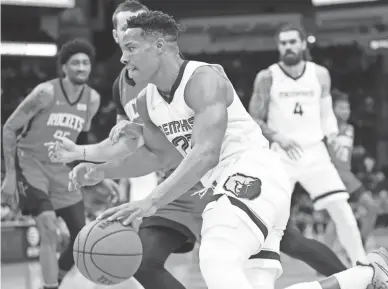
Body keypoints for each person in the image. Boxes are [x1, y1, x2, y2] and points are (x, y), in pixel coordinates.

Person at [66, 11, 387, 289]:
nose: (123, 58)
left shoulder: (203, 79)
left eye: (131, 48)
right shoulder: (146, 102)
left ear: (159, 46)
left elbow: (206, 152)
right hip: (228, 186)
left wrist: (150, 201)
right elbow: (160, 155)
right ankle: (362, 277)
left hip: (252, 172)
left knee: (216, 259)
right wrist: (101, 170)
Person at [46, 2, 210, 289]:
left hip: (204, 173)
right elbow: (127, 142)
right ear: (115, 35)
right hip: (159, 175)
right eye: (125, 26)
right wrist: (87, 157)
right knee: (143, 260)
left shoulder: (174, 70)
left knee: (265, 248)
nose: (131, 31)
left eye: (137, 25)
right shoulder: (121, 85)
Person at [248, 24, 366, 267]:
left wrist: (332, 133)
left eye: (293, 42)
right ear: (278, 47)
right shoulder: (267, 76)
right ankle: (257, 270)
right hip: (281, 154)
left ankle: (363, 267)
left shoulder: (320, 74)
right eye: (283, 43)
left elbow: (326, 113)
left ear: (303, 44)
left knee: (343, 212)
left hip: (315, 153)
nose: (288, 47)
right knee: (268, 215)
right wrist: (276, 136)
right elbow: (254, 118)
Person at [1, 39, 101, 289]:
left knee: (83, 238)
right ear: (64, 68)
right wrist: (10, 176)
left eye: (85, 63)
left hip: (61, 170)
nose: (81, 67)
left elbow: (83, 141)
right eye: (75, 63)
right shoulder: (45, 93)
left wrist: (100, 173)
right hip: (30, 164)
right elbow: (10, 128)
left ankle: (53, 279)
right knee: (47, 227)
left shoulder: (93, 100)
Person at [324, 90, 379, 252]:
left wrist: (363, 157)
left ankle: (359, 245)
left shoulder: (350, 129)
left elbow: (346, 154)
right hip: (333, 177)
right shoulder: (326, 129)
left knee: (372, 208)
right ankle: (324, 259)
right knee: (335, 218)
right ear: (332, 109)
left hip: (348, 177)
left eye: (347, 108)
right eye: (341, 108)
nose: (345, 112)